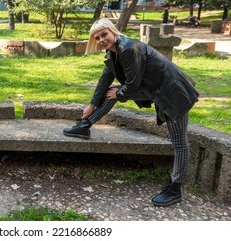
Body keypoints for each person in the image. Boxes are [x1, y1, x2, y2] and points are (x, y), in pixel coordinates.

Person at [63, 18, 199, 207]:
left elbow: (133, 84)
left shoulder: (128, 48)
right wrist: (93, 105)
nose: (102, 39)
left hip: (173, 93)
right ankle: (86, 124)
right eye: (97, 37)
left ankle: (175, 189)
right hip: (158, 90)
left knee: (180, 143)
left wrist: (119, 93)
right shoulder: (113, 52)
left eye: (104, 34)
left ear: (113, 31)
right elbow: (105, 79)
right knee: (111, 91)